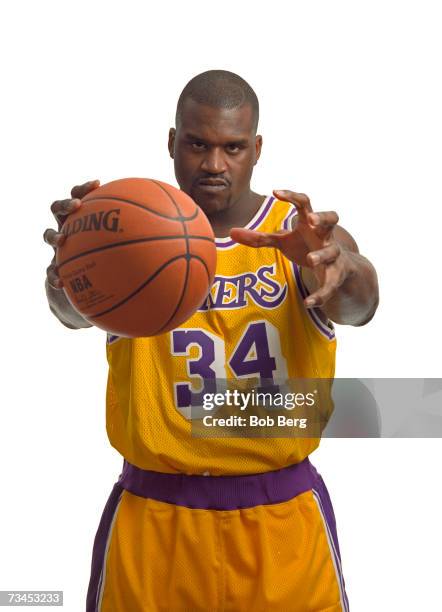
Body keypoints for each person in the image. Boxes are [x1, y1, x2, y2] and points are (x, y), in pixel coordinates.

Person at [44, 70, 379, 612]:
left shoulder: (301, 237)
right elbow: (70, 314)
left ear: (257, 149)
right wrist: (67, 268)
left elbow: (360, 305)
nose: (215, 164)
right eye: (198, 144)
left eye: (233, 147)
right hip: (156, 516)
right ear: (172, 142)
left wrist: (340, 267)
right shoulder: (122, 236)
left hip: (279, 515)